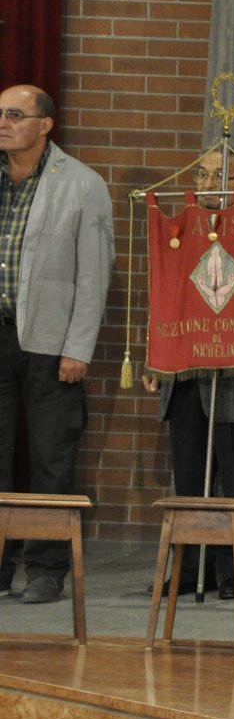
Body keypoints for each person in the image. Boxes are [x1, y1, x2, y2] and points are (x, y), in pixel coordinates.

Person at [141, 150, 234, 599]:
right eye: (200, 174)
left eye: (219, 176)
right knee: (189, 479)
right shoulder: (177, 230)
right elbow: (163, 296)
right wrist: (156, 358)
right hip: (184, 372)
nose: (206, 183)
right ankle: (186, 569)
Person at [0, 85, 113, 603]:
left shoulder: (82, 185)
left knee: (51, 460)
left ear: (45, 125)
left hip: (50, 343)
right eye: (0, 114)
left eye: (15, 115)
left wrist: (78, 348)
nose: (4, 122)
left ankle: (46, 569)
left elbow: (93, 275)